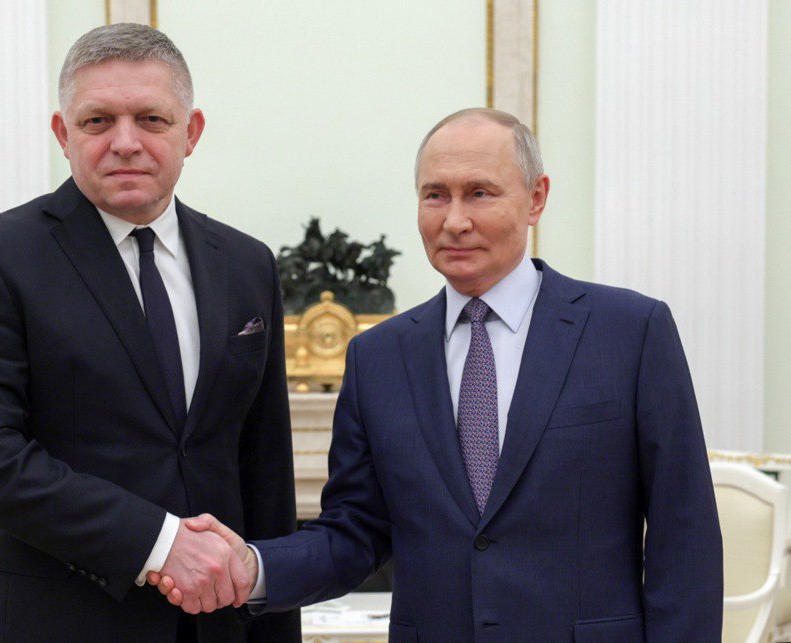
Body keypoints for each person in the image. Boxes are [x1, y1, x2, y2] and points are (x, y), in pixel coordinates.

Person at [153, 108, 724, 641]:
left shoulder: (629, 331)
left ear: (536, 198)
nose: (454, 220)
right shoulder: (377, 357)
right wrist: (252, 567)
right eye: (435, 195)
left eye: (479, 193)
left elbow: (685, 534)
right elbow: (355, 532)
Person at [0, 23, 300, 642]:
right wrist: (157, 543)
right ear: (63, 134)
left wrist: (273, 619)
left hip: (221, 627)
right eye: (99, 121)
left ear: (191, 132)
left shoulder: (247, 263)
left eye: (151, 119)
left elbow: (264, 470)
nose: (125, 143)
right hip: (59, 623)